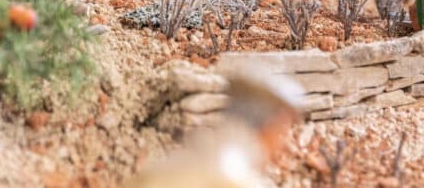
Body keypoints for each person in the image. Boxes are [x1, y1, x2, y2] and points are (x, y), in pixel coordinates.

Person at [127, 73, 302, 188]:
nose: (284, 143)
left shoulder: (169, 164)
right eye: (283, 129)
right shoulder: (236, 180)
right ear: (270, 126)